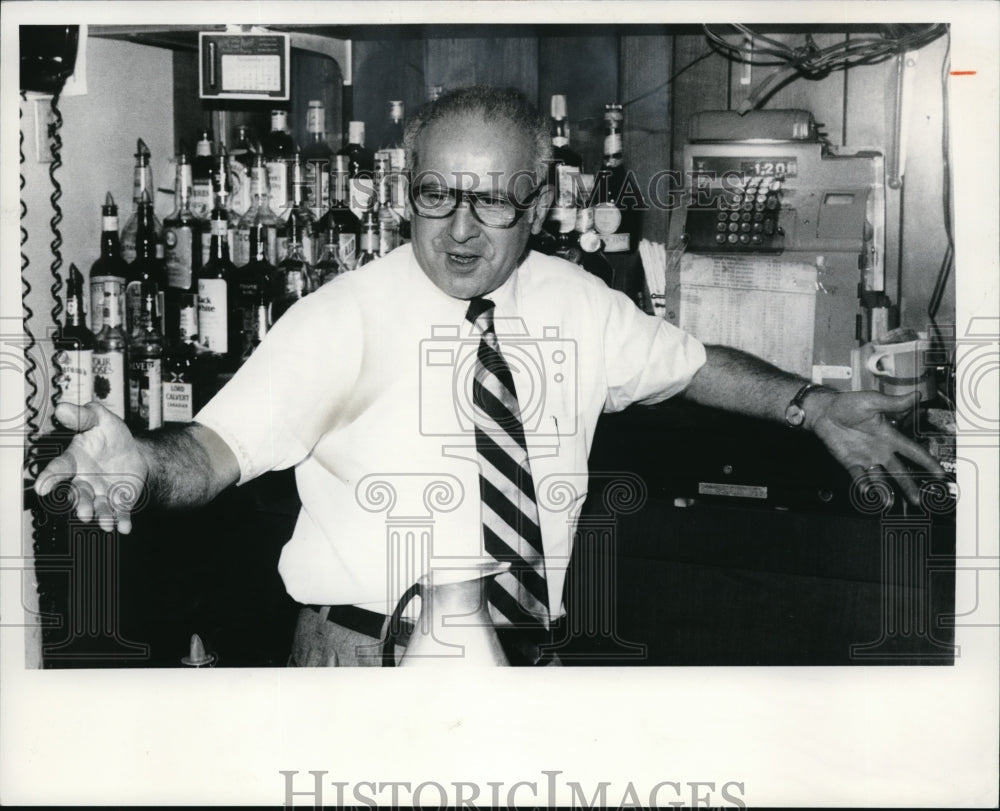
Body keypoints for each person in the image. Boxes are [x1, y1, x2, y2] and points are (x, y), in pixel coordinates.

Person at [34, 86, 945, 666]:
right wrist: (142, 468)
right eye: (436, 195)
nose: (460, 229)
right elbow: (212, 448)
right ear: (408, 192)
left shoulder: (578, 302)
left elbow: (695, 367)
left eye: (494, 200)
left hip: (524, 655)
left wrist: (813, 403)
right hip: (365, 659)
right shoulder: (342, 316)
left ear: (541, 204)